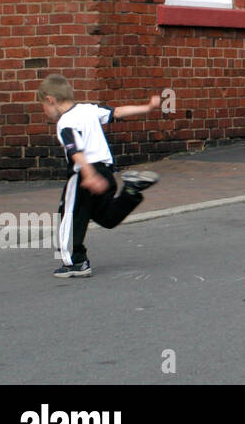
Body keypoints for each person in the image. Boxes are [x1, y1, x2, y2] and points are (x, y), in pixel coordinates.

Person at [37, 74, 162, 278]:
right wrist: (146, 107)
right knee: (106, 217)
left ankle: (75, 262)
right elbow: (118, 112)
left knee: (68, 215)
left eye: (43, 105)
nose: (44, 110)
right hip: (106, 170)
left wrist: (88, 175)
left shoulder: (65, 123)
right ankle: (131, 190)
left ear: (50, 99)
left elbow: (75, 151)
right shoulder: (89, 109)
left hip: (84, 174)